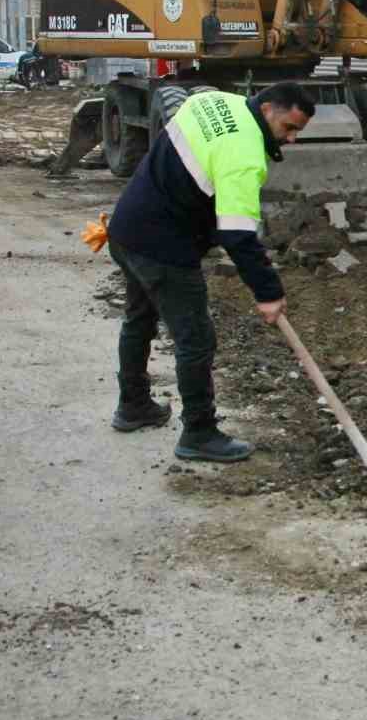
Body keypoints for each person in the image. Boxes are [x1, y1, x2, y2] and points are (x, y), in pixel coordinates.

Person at [104, 82, 315, 461]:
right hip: (162, 247)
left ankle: (132, 406)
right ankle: (198, 433)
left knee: (138, 319)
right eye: (289, 128)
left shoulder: (211, 101)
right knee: (196, 340)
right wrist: (268, 292)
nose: (292, 139)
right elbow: (237, 235)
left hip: (126, 227)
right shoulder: (245, 154)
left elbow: (195, 176)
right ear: (267, 109)